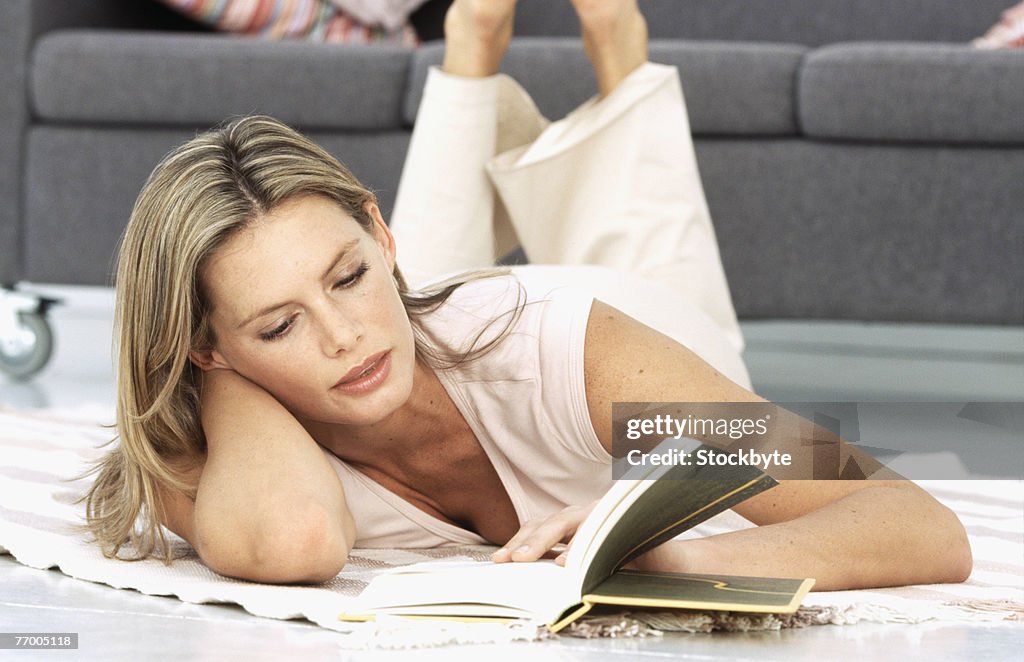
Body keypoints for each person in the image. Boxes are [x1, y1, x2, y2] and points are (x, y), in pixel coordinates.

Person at [85, 0, 971, 589]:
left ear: (379, 238)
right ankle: (465, 65)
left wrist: (674, 553)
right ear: (207, 350)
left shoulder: (574, 348)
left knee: (644, 247)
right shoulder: (208, 451)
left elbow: (920, 523)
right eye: (278, 325)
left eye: (353, 276)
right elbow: (293, 543)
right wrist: (224, 367)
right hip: (427, 322)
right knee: (404, 300)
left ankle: (615, 73)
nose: (342, 337)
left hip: (623, 327)